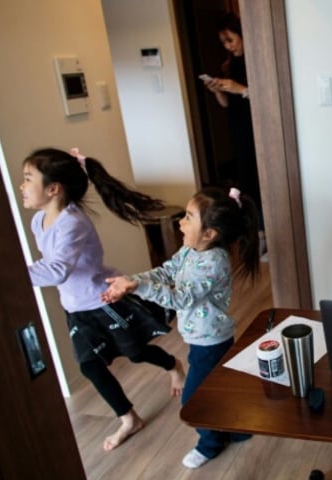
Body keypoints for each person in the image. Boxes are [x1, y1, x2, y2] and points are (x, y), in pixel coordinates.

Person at [20, 147, 185, 452]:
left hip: (103, 301)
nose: (22, 186)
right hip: (76, 308)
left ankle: (173, 364)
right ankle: (129, 418)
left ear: (53, 189)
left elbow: (57, 269)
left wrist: (13, 273)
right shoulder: (38, 222)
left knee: (135, 353)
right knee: (90, 367)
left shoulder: (73, 223)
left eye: (28, 178)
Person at [102, 186, 261, 469]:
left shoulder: (214, 262)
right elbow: (165, 271)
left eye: (188, 217)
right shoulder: (190, 250)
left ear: (210, 234)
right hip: (202, 336)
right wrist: (131, 281)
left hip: (210, 340)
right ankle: (234, 430)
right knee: (216, 388)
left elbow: (181, 296)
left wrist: (140, 287)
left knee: (193, 399)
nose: (180, 222)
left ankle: (209, 444)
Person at [200, 13, 263, 236]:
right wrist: (218, 91)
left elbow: (265, 98)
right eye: (224, 43)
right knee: (245, 178)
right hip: (237, 128)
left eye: (230, 40)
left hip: (256, 127)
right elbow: (227, 104)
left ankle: (264, 229)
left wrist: (240, 88)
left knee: (259, 177)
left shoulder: (257, 62)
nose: (228, 46)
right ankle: (257, 232)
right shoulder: (230, 65)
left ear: (243, 34)